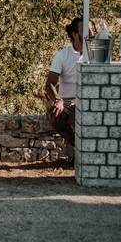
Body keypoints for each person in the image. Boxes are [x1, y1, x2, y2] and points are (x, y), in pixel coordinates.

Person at [44, 17, 87, 153]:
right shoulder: (62, 55)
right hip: (68, 102)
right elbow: (49, 84)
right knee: (54, 114)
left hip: (89, 101)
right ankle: (78, 147)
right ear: (75, 35)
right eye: (85, 31)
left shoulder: (95, 55)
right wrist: (58, 100)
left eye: (91, 32)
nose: (90, 35)